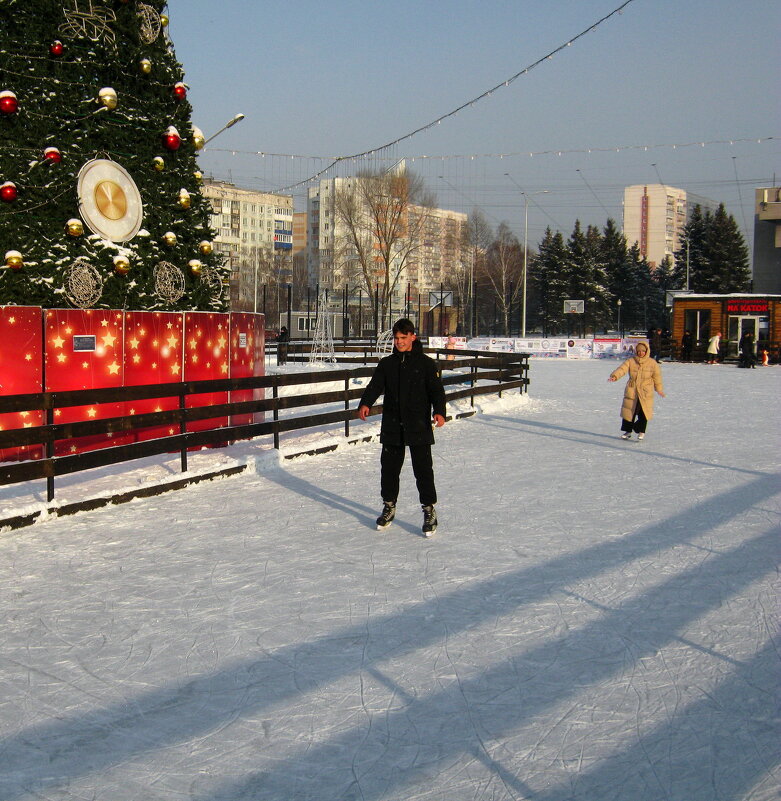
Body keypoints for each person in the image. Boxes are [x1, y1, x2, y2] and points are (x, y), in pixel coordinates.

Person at [358, 318, 447, 536]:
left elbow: (436, 391)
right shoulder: (387, 364)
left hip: (418, 424)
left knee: (423, 470)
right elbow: (375, 386)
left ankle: (429, 510)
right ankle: (389, 506)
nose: (399, 342)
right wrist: (365, 403)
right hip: (392, 425)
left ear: (413, 337)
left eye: (403, 338)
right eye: (396, 338)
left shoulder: (426, 364)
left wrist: (439, 411)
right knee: (389, 470)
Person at [608, 341, 665, 441]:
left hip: (645, 391)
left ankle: (641, 431)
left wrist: (659, 389)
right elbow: (622, 369)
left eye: (643, 351)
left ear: (646, 351)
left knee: (643, 412)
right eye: (638, 351)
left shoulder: (652, 363)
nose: (640, 353)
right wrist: (614, 376)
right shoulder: (631, 361)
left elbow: (657, 377)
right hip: (632, 390)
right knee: (629, 411)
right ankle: (628, 431)